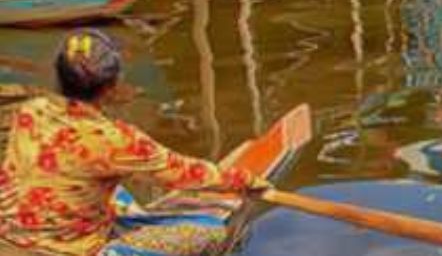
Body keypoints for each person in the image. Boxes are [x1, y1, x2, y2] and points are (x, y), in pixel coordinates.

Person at [0, 30, 266, 256]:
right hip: (66, 249)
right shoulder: (115, 140)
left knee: (113, 191)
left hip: (11, 236)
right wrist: (247, 181)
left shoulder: (32, 110)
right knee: (211, 231)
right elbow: (184, 173)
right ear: (111, 86)